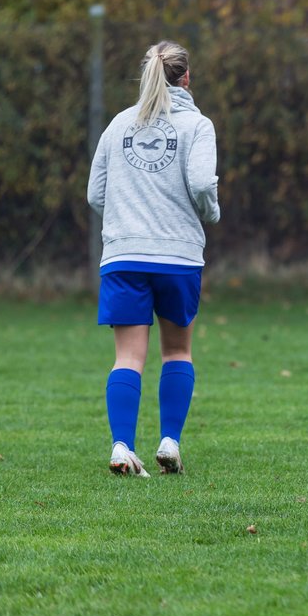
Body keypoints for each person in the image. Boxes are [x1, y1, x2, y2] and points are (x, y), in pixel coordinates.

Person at [87, 40, 220, 477]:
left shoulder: (119, 124)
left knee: (127, 358)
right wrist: (211, 212)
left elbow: (95, 194)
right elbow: (202, 185)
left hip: (123, 255)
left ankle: (122, 447)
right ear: (186, 78)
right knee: (177, 351)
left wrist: (129, 219)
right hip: (177, 256)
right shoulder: (197, 125)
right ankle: (169, 442)